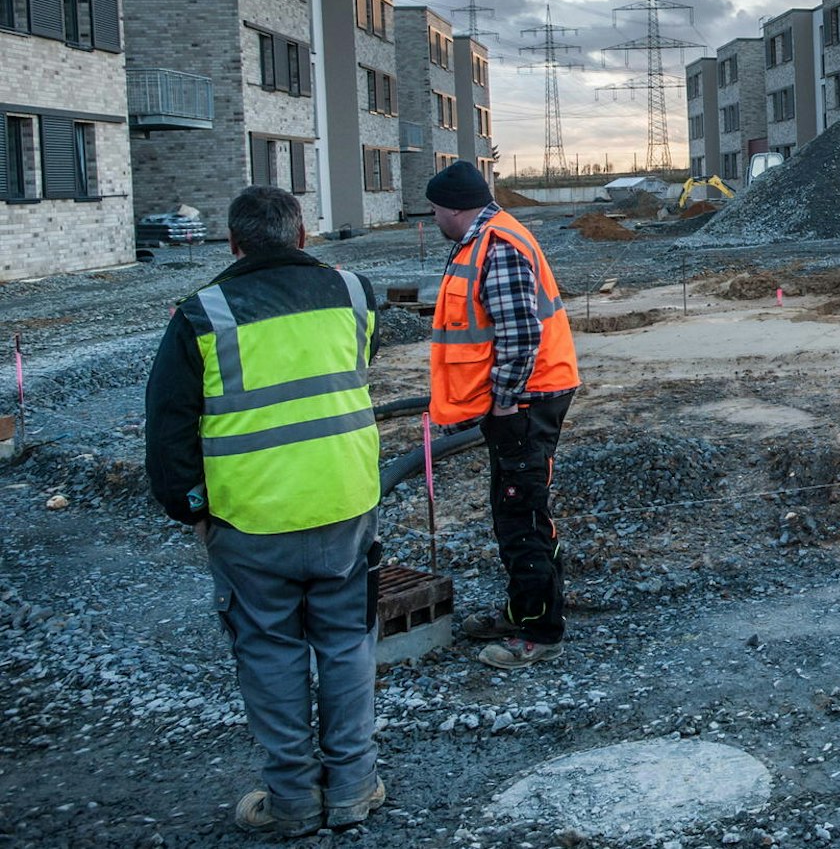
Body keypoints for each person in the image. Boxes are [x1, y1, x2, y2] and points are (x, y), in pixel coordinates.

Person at [144, 186, 386, 836]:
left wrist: (190, 505)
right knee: (345, 645)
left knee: (270, 653)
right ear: (302, 234)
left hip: (250, 518)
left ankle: (295, 801)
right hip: (344, 507)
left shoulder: (202, 315)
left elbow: (168, 428)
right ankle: (353, 787)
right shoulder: (354, 292)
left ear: (233, 242)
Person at [425, 161, 580, 670]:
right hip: (518, 399)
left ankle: (539, 631)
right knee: (512, 508)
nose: (432, 218)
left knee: (522, 513)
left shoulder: (497, 244)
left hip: (527, 400)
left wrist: (507, 401)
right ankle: (523, 611)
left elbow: (520, 334)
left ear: (452, 207)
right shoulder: (484, 239)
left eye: (434, 210)